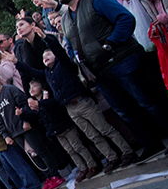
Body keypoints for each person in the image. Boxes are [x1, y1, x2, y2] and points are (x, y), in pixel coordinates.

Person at [37, 0, 168, 158]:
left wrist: (111, 43)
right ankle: (150, 142)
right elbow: (70, 43)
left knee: (149, 100)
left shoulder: (98, 0)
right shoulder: (66, 18)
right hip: (99, 72)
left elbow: (125, 19)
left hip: (122, 59)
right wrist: (75, 57)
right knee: (125, 110)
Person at [14, 37, 137, 173]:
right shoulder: (47, 74)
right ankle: (112, 157)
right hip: (70, 108)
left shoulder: (64, 65)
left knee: (105, 129)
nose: (45, 58)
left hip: (82, 102)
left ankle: (126, 151)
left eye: (48, 55)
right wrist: (16, 62)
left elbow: (60, 52)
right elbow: (31, 71)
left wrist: (46, 39)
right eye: (43, 58)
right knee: (93, 136)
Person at [0, 70, 67, 189]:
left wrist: (26, 120)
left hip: (25, 127)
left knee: (40, 150)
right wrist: (6, 135)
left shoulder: (10, 89)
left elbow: (24, 104)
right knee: (33, 155)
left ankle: (56, 175)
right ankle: (48, 176)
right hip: (15, 133)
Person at [25, 78, 102, 180]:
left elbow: (53, 107)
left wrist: (42, 102)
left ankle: (92, 164)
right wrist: (23, 115)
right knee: (70, 150)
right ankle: (82, 168)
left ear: (42, 88)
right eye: (30, 87)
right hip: (56, 131)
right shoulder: (36, 104)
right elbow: (40, 118)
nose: (32, 89)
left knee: (78, 146)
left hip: (65, 126)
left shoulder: (48, 98)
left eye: (35, 86)